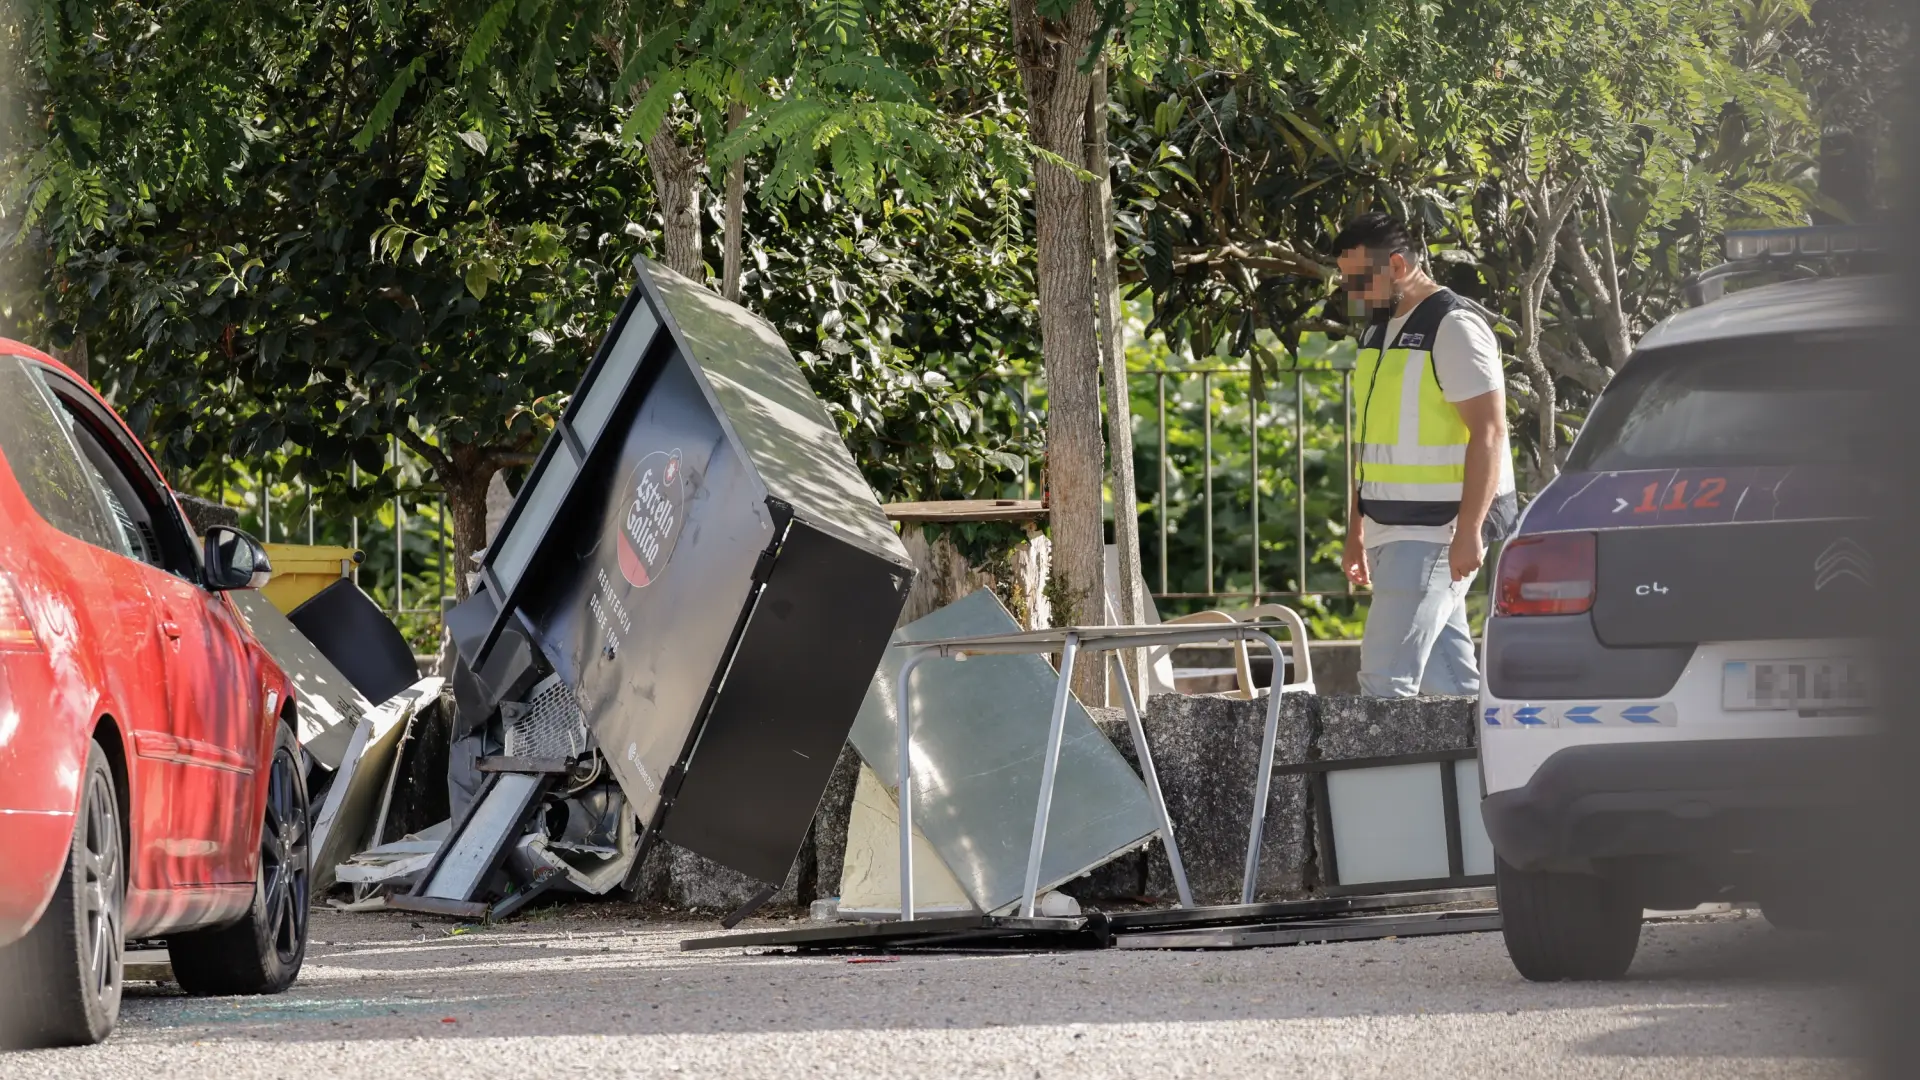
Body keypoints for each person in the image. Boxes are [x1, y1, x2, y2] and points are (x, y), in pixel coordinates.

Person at [1333, 212, 1518, 698]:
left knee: (1384, 681)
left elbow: (1489, 432)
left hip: (1438, 529)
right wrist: (1356, 529)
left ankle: (1376, 757)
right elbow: (1370, 441)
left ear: (1396, 265)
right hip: (1391, 525)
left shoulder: (1454, 326)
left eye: (1358, 279)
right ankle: (1490, 750)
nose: (1351, 292)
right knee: (1450, 686)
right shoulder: (1377, 332)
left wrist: (1470, 531)